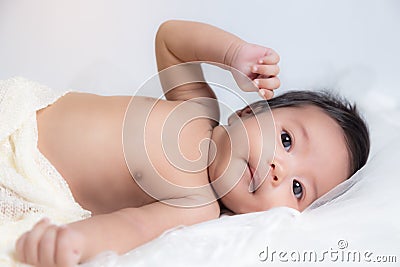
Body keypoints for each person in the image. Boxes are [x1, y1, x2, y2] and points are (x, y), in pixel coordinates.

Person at [14, 20, 369, 266]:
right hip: (20, 109)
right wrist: (234, 54)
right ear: (247, 112)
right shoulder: (196, 109)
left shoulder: (197, 206)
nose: (279, 170)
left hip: (23, 179)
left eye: (297, 188)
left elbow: (132, 226)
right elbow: (170, 40)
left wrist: (77, 243)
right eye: (287, 140)